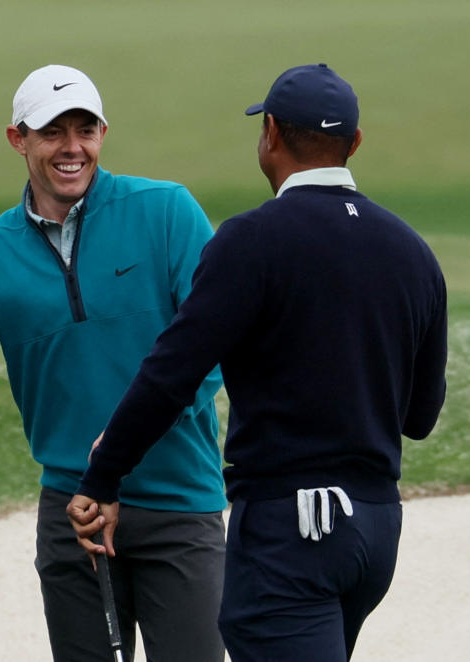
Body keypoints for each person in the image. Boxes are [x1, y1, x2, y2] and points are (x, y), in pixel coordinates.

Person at [67, 63, 448, 661]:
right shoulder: (413, 252)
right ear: (354, 143)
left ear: (269, 133)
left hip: (292, 531)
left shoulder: (251, 240)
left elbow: (173, 372)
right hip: (375, 530)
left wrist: (103, 474)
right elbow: (421, 416)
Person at [0, 64, 227, 662]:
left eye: (85, 129)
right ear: (18, 139)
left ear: (103, 134)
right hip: (72, 516)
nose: (72, 147)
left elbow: (210, 346)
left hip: (178, 505)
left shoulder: (167, 212)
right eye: (53, 131)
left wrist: (120, 452)